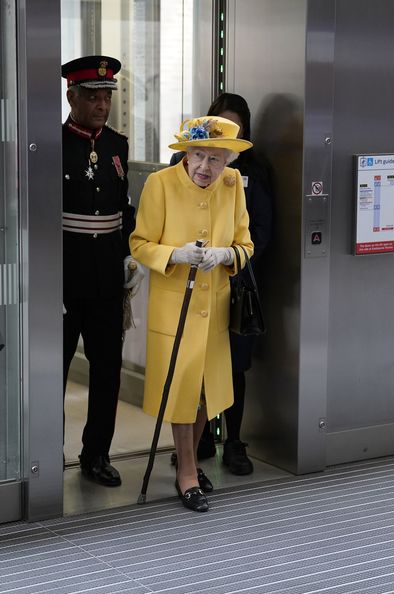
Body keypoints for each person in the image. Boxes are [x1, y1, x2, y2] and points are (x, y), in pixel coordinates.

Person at [130, 116, 253, 511]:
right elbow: (139, 243)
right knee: (182, 388)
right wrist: (174, 254)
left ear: (228, 162)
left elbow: (245, 244)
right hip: (174, 307)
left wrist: (225, 255)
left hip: (214, 307)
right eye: (198, 155)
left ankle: (190, 462)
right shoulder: (160, 184)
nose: (205, 167)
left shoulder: (233, 188)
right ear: (186, 153)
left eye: (216, 160)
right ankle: (187, 472)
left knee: (205, 392)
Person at [170, 93, 272, 475]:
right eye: (217, 128)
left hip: (236, 283)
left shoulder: (253, 174)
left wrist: (230, 257)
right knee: (191, 370)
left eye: (235, 130)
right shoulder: (183, 168)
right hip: (190, 282)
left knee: (232, 367)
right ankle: (193, 449)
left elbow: (261, 231)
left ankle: (233, 441)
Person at [61, 56, 144, 487]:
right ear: (71, 95)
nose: (101, 103)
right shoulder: (52, 144)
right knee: (51, 369)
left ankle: (96, 454)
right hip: (63, 279)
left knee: (107, 369)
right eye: (92, 95)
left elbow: (122, 208)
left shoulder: (116, 144)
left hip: (106, 281)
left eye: (106, 95)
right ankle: (44, 451)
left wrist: (130, 253)